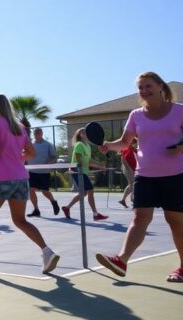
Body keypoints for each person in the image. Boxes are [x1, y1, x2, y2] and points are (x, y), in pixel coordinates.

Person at [96, 72, 183, 283]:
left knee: (176, 222)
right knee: (140, 217)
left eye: (148, 86)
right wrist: (108, 146)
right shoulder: (136, 115)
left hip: (176, 176)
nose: (144, 91)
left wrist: (180, 147)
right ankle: (121, 260)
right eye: (141, 87)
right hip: (144, 175)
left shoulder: (179, 111)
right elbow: (125, 142)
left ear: (160, 86)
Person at [0, 94, 60, 274]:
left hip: (1, 179)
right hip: (21, 179)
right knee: (20, 220)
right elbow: (30, 152)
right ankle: (47, 252)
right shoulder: (19, 127)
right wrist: (15, 160)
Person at [60, 127, 109, 221]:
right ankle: (95, 214)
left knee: (84, 192)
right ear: (80, 135)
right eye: (83, 133)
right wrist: (84, 167)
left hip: (83, 172)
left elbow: (89, 160)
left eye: (86, 133)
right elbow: (79, 159)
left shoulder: (87, 146)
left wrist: (100, 166)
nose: (85, 134)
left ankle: (67, 208)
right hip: (77, 170)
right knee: (90, 190)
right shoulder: (79, 144)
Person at [26, 127, 60, 217]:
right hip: (32, 172)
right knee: (31, 190)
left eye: (38, 133)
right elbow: (26, 155)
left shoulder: (48, 145)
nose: (37, 135)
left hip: (44, 172)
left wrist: (48, 164)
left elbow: (54, 157)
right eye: (35, 133)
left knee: (45, 191)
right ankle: (36, 210)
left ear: (42, 134)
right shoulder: (30, 144)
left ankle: (54, 202)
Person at [118, 139, 137, 208]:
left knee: (131, 184)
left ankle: (123, 200)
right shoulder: (127, 148)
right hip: (128, 168)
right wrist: (129, 169)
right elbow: (123, 159)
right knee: (132, 183)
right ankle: (133, 199)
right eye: (134, 142)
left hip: (133, 168)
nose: (136, 144)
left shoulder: (135, 150)